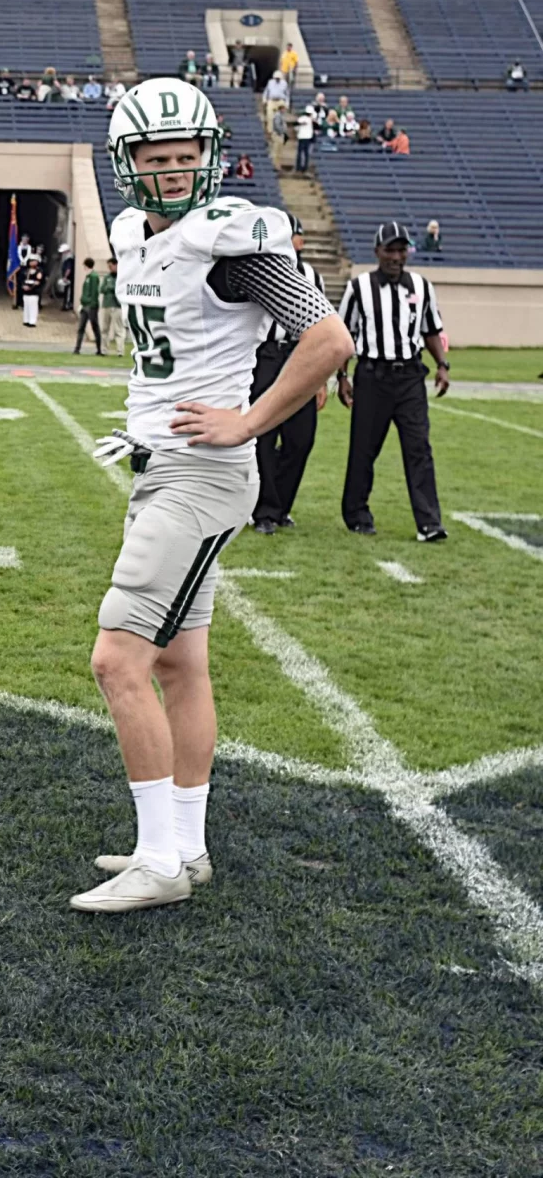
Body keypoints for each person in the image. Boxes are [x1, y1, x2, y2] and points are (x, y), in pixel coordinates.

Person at [78, 77, 353, 914]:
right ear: (130, 165)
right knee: (179, 661)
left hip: (200, 475)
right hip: (167, 464)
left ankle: (159, 860)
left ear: (208, 155)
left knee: (117, 659)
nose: (173, 172)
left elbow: (329, 336)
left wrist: (251, 420)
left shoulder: (229, 240)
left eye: (186, 156)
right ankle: (184, 844)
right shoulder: (135, 230)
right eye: (157, 159)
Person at [338, 222, 450, 541]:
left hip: (411, 377)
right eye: (390, 250)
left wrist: (442, 364)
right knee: (364, 449)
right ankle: (357, 514)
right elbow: (345, 336)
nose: (396, 257)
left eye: (402, 250)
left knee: (419, 448)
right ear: (377, 252)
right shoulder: (358, 287)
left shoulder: (422, 286)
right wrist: (343, 376)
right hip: (372, 376)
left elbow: (430, 329)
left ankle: (429, 522)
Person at [248, 215, 326, 535]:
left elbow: (321, 326)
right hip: (264, 357)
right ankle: (264, 510)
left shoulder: (311, 275)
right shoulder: (255, 271)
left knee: (300, 438)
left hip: (300, 356)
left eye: (292, 235)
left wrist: (320, 378)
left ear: (300, 240)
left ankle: (281, 505)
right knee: (263, 436)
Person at [73, 256, 102, 354]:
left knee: (95, 327)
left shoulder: (93, 276)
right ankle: (77, 348)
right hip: (85, 304)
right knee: (81, 327)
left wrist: (91, 304)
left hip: (90, 306)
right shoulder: (88, 276)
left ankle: (99, 349)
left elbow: (94, 292)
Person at [98, 256, 123, 358]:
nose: (110, 268)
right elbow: (102, 289)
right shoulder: (107, 277)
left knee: (118, 329)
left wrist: (111, 288)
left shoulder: (121, 277)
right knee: (105, 329)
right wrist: (109, 288)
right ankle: (104, 349)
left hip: (117, 305)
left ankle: (120, 350)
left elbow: (119, 290)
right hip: (107, 304)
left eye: (111, 266)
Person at [18, 255, 45, 326]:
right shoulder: (26, 271)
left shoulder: (39, 271)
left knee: (33, 307)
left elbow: (38, 281)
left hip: (34, 292)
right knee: (26, 306)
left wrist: (30, 287)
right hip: (25, 291)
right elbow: (21, 280)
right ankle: (26, 320)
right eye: (31, 261)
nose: (32, 263)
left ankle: (32, 321)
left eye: (34, 261)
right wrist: (23, 286)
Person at [294, 107, 314, 172]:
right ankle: (303, 167)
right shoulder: (308, 119)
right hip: (305, 137)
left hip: (303, 137)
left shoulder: (302, 119)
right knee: (305, 153)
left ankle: (300, 167)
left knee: (301, 153)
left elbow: (296, 127)